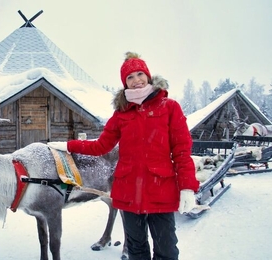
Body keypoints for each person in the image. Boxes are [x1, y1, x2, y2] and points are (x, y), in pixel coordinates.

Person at [47, 52, 200, 260]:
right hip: (128, 192)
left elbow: (182, 151)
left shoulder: (169, 107)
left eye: (140, 74)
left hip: (161, 191)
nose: (136, 80)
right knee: (136, 251)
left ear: (148, 76)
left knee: (167, 251)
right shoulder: (122, 114)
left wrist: (187, 187)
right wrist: (68, 145)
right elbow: (101, 146)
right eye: (130, 77)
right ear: (124, 83)